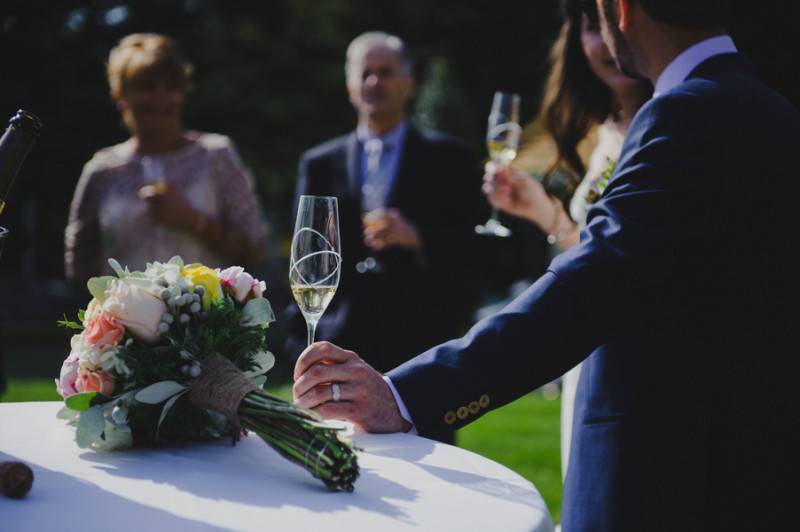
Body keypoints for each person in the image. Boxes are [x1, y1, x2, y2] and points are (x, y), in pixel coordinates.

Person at [292, 1, 800, 530]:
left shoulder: (683, 112)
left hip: (665, 468)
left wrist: (406, 395)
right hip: (754, 462)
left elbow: (587, 290)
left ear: (620, 10)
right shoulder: (774, 111)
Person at [484, 0, 651, 481]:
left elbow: (621, 265)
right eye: (590, 27)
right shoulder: (605, 130)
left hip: (635, 361)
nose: (606, 39)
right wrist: (542, 211)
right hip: (586, 351)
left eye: (609, 21)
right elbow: (595, 249)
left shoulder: (668, 125)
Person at [284, 32, 492, 387]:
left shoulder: (449, 158)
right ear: (350, 86)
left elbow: (480, 245)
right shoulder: (318, 162)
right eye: (365, 73)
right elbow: (305, 253)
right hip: (340, 340)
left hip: (422, 343)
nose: (374, 82)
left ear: (409, 83)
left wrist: (418, 237)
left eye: (386, 72)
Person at [65, 33, 268, 285]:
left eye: (172, 88)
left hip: (207, 321)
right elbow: (78, 266)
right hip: (127, 323)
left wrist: (193, 220)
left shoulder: (216, 156)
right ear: (120, 94)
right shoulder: (102, 170)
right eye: (147, 88)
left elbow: (256, 249)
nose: (161, 99)